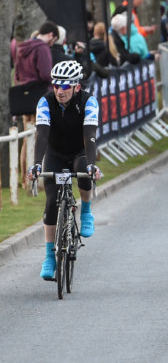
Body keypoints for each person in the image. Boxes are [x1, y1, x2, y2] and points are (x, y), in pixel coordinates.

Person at [27, 61, 102, 280]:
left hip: (79, 151)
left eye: (66, 86)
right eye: (56, 86)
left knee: (83, 170)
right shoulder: (45, 101)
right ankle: (49, 257)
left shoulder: (89, 102)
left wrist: (91, 164)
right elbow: (41, 134)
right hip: (56, 153)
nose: (60, 91)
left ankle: (86, 210)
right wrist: (37, 164)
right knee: (51, 202)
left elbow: (89, 135)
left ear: (77, 87)